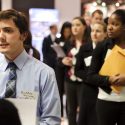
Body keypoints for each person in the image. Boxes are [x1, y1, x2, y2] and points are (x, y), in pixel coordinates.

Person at [0, 9, 61, 125]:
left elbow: (51, 120)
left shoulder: (45, 73)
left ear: (23, 35)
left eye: (7, 31)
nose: (1, 37)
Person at [86, 9, 125, 125]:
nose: (110, 27)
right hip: (106, 102)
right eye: (109, 24)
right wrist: (109, 80)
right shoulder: (102, 47)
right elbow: (90, 76)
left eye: (115, 24)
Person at [75, 22, 107, 125]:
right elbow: (77, 70)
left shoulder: (108, 49)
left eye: (98, 31)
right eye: (93, 31)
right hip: (88, 90)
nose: (94, 34)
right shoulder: (84, 48)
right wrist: (92, 78)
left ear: (105, 33)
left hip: (103, 90)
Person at [60, 17, 88, 125]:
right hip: (69, 80)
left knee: (83, 110)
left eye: (78, 25)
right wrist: (63, 61)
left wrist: (76, 63)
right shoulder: (68, 43)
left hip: (84, 81)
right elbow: (58, 60)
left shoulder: (89, 43)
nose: (75, 28)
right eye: (73, 25)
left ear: (84, 26)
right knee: (70, 110)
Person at [55, 21, 72, 119]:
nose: (67, 33)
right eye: (65, 31)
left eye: (68, 31)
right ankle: (60, 114)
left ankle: (68, 114)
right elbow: (55, 55)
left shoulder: (72, 41)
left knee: (68, 93)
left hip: (68, 69)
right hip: (59, 68)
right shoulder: (58, 39)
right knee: (59, 91)